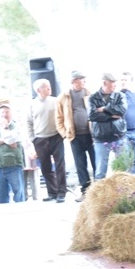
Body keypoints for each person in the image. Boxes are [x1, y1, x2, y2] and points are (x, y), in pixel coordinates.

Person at [27, 79, 67, 203]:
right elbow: (28, 122)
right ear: (38, 90)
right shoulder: (32, 105)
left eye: (49, 86)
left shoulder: (56, 101)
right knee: (45, 167)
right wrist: (33, 139)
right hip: (40, 139)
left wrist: (63, 133)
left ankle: (61, 192)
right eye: (45, 86)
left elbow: (63, 117)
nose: (49, 88)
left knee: (60, 165)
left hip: (56, 137)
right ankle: (52, 192)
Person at [56, 70, 95, 200]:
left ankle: (98, 192)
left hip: (91, 135)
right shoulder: (63, 97)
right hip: (75, 136)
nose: (84, 82)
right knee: (80, 165)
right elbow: (59, 118)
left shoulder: (90, 94)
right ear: (74, 81)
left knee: (96, 163)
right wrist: (65, 134)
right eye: (82, 79)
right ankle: (85, 192)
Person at [0, 103, 27, 204]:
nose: (4, 115)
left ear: (11, 114)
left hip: (14, 166)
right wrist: (2, 140)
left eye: (7, 112)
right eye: (2, 113)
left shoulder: (17, 127)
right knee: (1, 195)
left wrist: (5, 127)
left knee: (18, 194)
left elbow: (12, 139)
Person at [89, 73, 128, 180]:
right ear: (105, 83)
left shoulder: (120, 96)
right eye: (112, 83)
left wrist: (104, 109)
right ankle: (99, 191)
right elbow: (92, 115)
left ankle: (122, 190)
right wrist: (112, 115)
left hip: (118, 136)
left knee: (123, 170)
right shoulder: (93, 97)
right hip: (101, 138)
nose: (115, 85)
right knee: (100, 171)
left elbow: (122, 111)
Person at [120, 72, 135, 174]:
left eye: (126, 80)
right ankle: (124, 181)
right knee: (125, 161)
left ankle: (132, 180)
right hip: (123, 134)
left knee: (133, 160)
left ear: (131, 82)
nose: (123, 82)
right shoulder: (116, 96)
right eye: (122, 80)